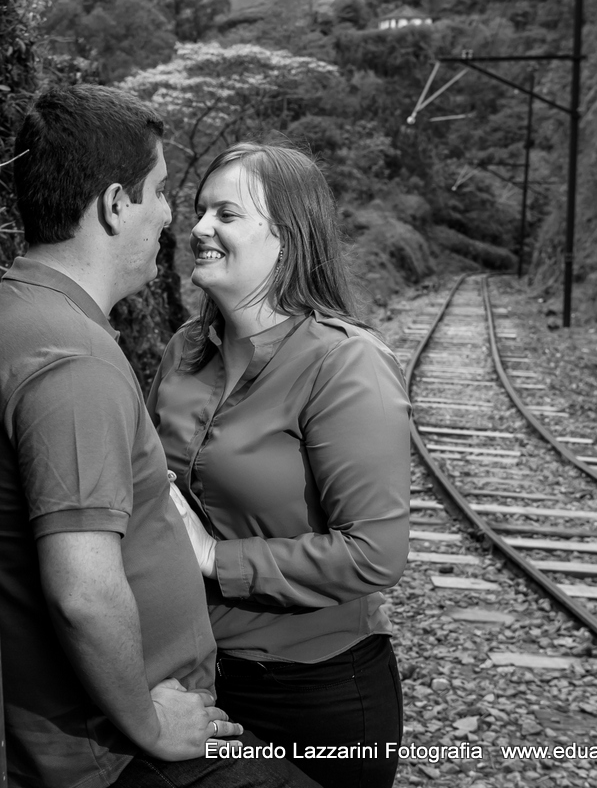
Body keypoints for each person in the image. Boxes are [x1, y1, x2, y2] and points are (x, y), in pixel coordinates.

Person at [0, 87, 320, 788]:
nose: (171, 215)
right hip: (112, 751)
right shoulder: (70, 358)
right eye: (161, 191)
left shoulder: (23, 312)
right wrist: (150, 725)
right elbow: (82, 591)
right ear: (115, 204)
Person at [147, 142, 412, 787]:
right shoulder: (184, 351)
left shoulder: (344, 364)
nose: (199, 227)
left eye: (227, 214)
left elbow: (376, 555)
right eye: (200, 210)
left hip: (314, 697)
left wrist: (215, 558)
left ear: (289, 238)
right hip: (190, 682)